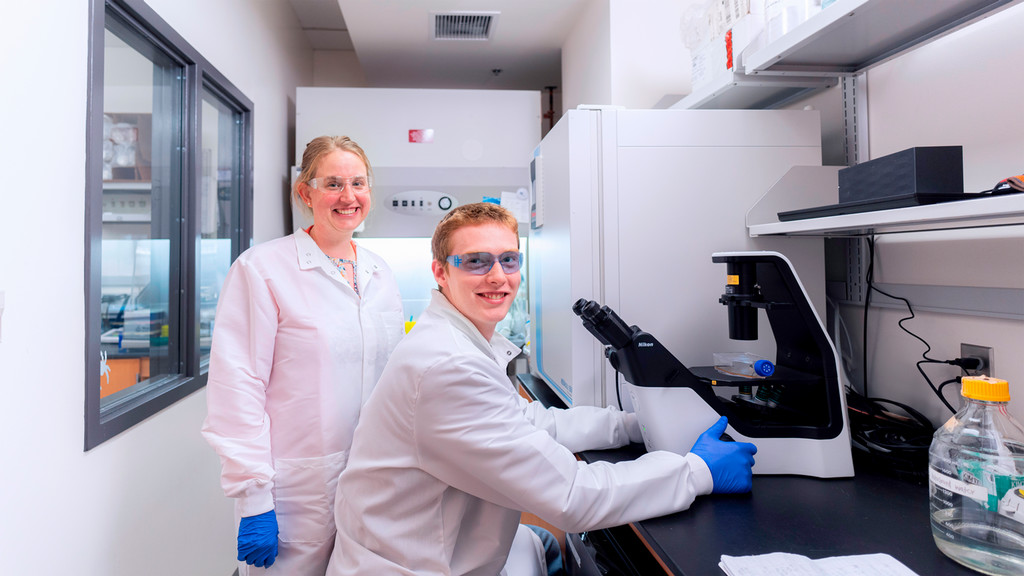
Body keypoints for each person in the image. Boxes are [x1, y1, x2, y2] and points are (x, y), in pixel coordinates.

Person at [326, 202, 758, 575]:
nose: (498, 276)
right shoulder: (448, 364)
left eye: (508, 260)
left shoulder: (457, 339)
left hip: (428, 543)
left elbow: (525, 421)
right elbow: (572, 497)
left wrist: (634, 425)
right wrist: (696, 471)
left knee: (537, 545)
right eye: (476, 261)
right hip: (415, 565)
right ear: (441, 271)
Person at [202, 136, 405, 575]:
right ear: (305, 192)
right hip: (297, 491)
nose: (348, 197)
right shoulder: (261, 269)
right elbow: (237, 387)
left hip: (375, 484)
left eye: (358, 183)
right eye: (333, 183)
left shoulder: (379, 273)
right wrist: (254, 496)